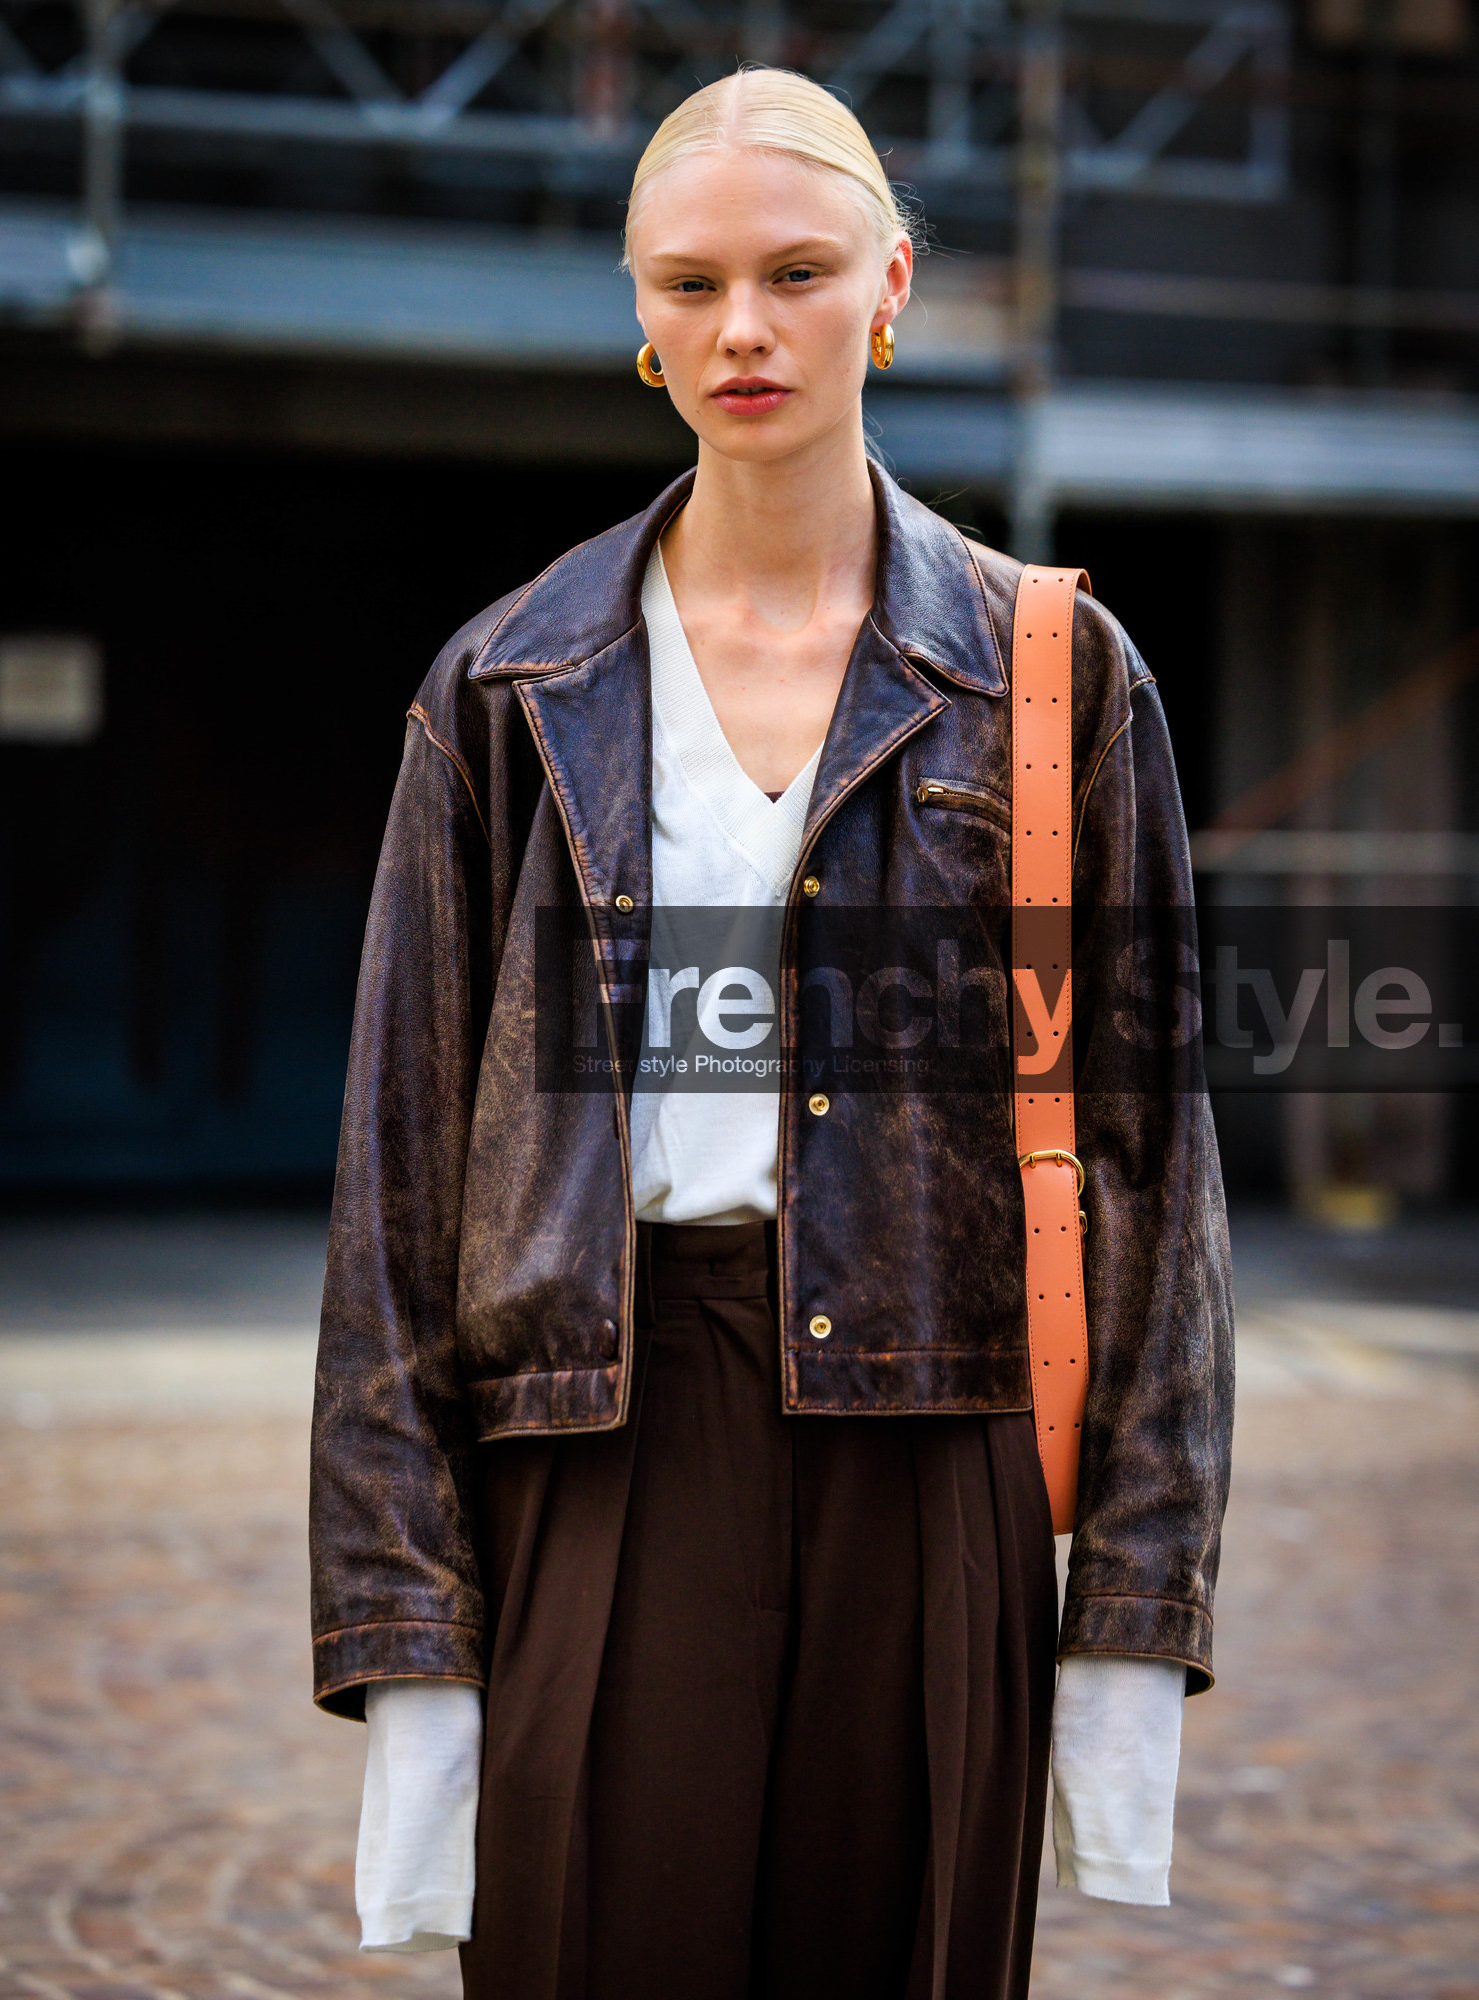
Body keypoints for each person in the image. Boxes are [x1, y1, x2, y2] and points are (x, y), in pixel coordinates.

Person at [310, 65, 1234, 2000]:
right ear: (637, 319)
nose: (743, 328)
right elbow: (397, 1191)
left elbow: (1152, 1170)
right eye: (689, 283)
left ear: (892, 285)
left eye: (797, 273)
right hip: (597, 1433)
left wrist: (1132, 1617)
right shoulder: (509, 685)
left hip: (944, 1446)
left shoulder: (1049, 674)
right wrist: (404, 1632)